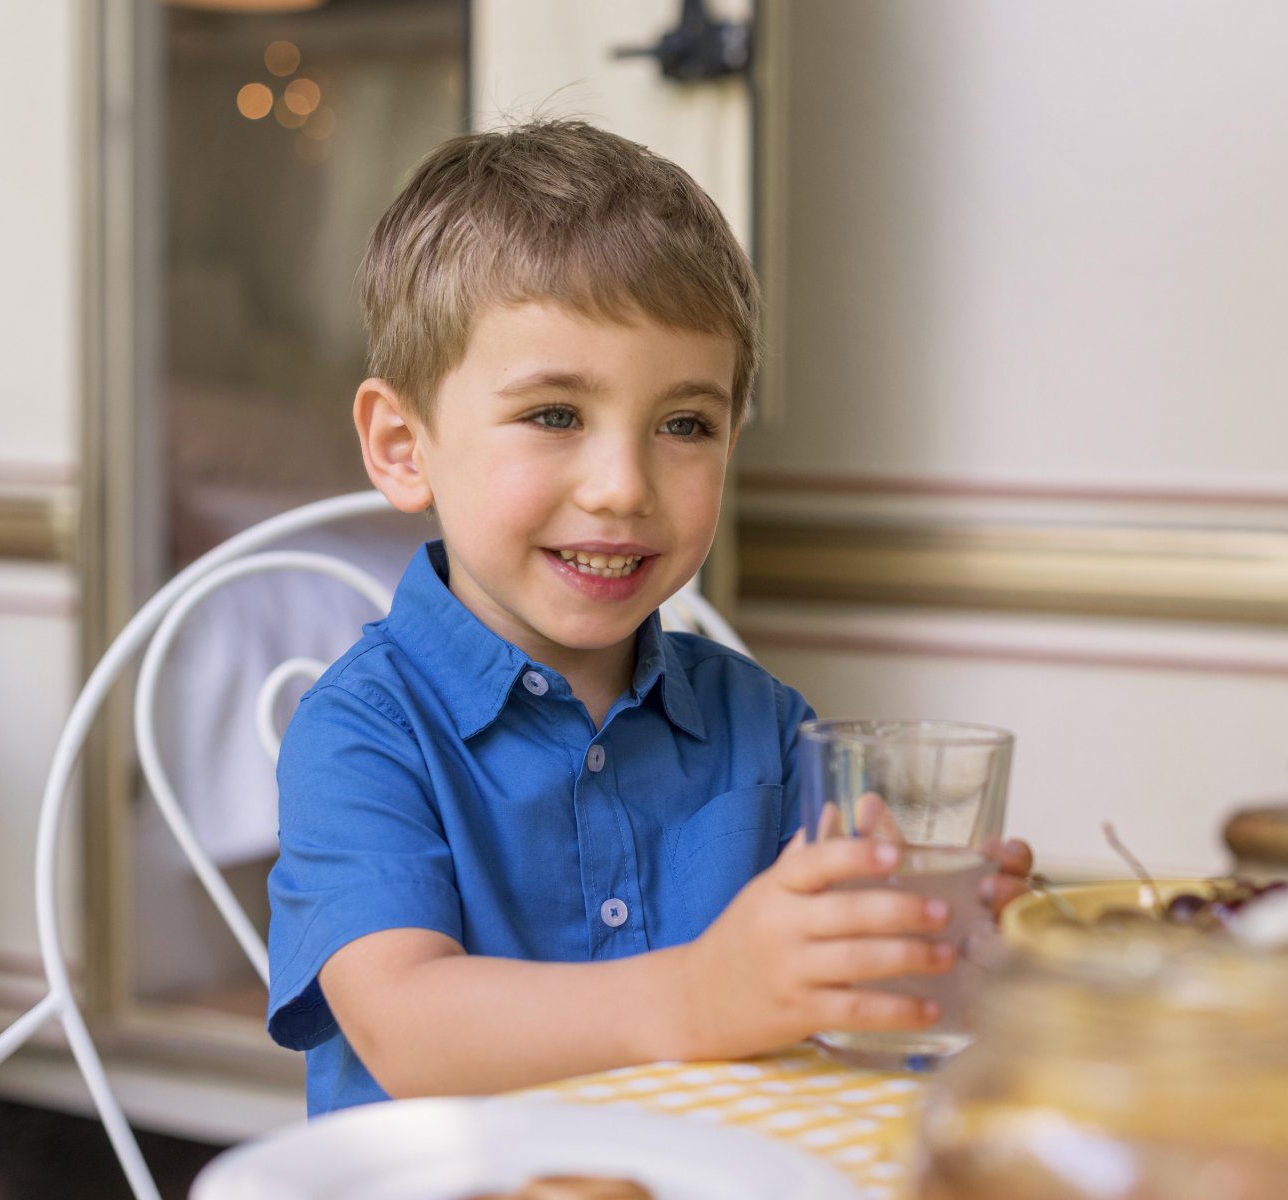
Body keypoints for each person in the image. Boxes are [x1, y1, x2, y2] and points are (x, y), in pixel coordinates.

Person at [265, 119, 1033, 1115]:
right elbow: (410, 1028)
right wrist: (703, 995)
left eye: (684, 425)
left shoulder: (766, 726)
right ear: (404, 445)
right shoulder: (364, 733)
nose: (624, 487)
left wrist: (909, 950)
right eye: (553, 415)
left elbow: (837, 1015)